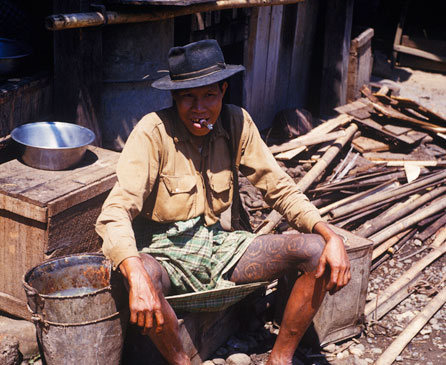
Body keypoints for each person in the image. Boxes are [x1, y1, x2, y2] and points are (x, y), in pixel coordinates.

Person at [95, 39, 351, 365]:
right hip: (163, 253)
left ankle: (280, 359)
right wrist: (135, 274)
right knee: (142, 271)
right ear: (174, 97)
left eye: (209, 95)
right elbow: (116, 210)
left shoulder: (235, 123)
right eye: (188, 97)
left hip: (219, 248)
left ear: (224, 91)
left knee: (317, 251)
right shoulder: (152, 133)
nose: (199, 107)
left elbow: (279, 188)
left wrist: (331, 236)